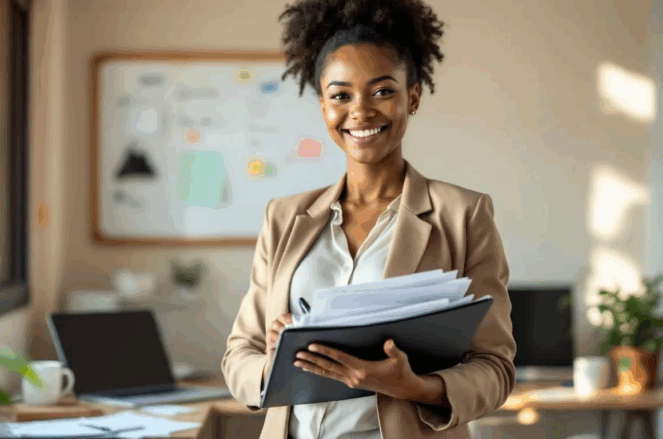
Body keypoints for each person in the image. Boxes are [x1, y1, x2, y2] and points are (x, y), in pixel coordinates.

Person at [221, 0, 516, 437]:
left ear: (411, 97)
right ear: (323, 106)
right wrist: (277, 362)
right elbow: (238, 355)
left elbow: (495, 368)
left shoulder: (464, 215)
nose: (360, 111)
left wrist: (417, 387)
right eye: (341, 95)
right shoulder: (284, 218)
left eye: (382, 91)